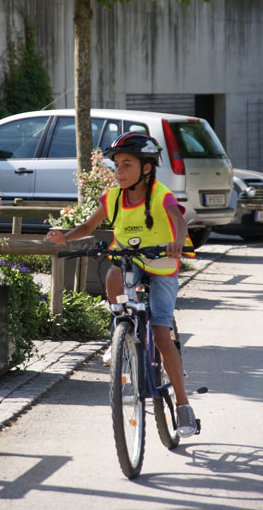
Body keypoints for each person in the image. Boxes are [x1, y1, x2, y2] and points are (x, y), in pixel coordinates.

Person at [45, 132, 198, 438]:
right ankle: (121, 329)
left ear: (146, 168)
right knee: (114, 274)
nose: (119, 170)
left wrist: (177, 243)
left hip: (162, 264)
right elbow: (89, 226)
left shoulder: (159, 194)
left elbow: (178, 220)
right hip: (131, 260)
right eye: (116, 164)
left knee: (160, 332)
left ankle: (183, 405)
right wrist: (65, 237)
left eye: (127, 164)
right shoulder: (114, 197)